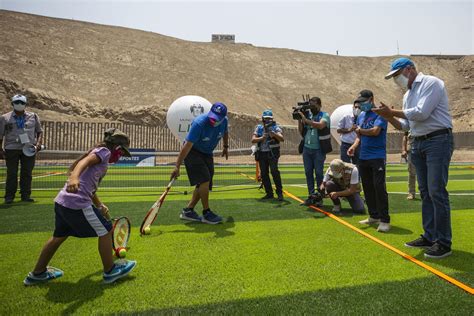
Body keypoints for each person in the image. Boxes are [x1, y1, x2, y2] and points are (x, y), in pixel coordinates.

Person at [23, 128, 137, 285]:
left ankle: (37, 274)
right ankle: (110, 271)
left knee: (58, 236)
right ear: (117, 148)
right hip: (77, 203)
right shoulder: (104, 152)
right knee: (106, 230)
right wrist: (74, 177)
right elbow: (84, 163)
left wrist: (99, 205)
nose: (121, 156)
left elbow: (90, 187)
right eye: (122, 153)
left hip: (63, 202)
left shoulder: (98, 153)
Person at [375, 57, 454, 258]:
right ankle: (430, 236)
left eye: (397, 75)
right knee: (426, 192)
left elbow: (421, 113)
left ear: (409, 69)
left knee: (436, 191)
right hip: (417, 142)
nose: (396, 80)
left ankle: (443, 242)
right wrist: (389, 117)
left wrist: (391, 111)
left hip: (437, 140)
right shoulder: (407, 95)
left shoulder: (431, 83)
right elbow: (406, 126)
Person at [171, 102, 229, 224]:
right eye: (212, 117)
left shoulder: (224, 122)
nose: (214, 120)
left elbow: (225, 132)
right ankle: (206, 212)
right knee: (204, 180)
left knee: (204, 183)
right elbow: (187, 146)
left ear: (223, 118)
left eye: (217, 119)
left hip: (207, 153)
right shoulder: (199, 123)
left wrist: (225, 146)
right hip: (193, 152)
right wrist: (177, 166)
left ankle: (188, 210)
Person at [348, 90, 390, 232]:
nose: (361, 104)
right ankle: (373, 215)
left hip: (377, 156)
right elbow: (360, 136)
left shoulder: (380, 114)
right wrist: (354, 146)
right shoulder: (361, 116)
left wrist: (360, 131)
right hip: (363, 156)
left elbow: (375, 131)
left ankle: (384, 220)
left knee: (379, 187)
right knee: (367, 187)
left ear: (371, 99)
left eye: (364, 101)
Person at [0, 94, 43, 204]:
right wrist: (0, 149)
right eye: (17, 102)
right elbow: (0, 135)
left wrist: (38, 144)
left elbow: (39, 131)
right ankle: (9, 196)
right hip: (11, 148)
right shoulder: (5, 118)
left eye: (22, 103)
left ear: (26, 104)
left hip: (28, 148)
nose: (19, 105)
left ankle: (25, 195)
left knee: (27, 172)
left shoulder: (33, 116)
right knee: (12, 173)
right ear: (12, 103)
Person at [297, 97, 331, 206]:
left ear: (319, 105)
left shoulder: (324, 115)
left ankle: (319, 198)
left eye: (314, 105)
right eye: (310, 105)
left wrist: (306, 120)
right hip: (307, 149)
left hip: (319, 150)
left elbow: (321, 125)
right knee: (308, 173)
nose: (312, 108)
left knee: (319, 174)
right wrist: (300, 120)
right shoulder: (308, 115)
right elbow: (301, 131)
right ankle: (311, 196)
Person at [252, 109, 284, 201]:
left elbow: (282, 139)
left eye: (269, 119)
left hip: (272, 154)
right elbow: (253, 139)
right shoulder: (259, 128)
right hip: (262, 154)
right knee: (264, 174)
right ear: (263, 119)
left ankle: (279, 193)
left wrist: (274, 134)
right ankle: (269, 193)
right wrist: (262, 138)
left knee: (274, 172)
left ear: (272, 119)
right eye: (266, 118)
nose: (267, 120)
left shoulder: (276, 127)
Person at [402, 132, 417, 200]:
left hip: (426, 149)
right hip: (412, 150)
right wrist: (404, 150)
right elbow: (405, 137)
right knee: (412, 173)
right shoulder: (410, 122)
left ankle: (429, 192)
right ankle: (411, 192)